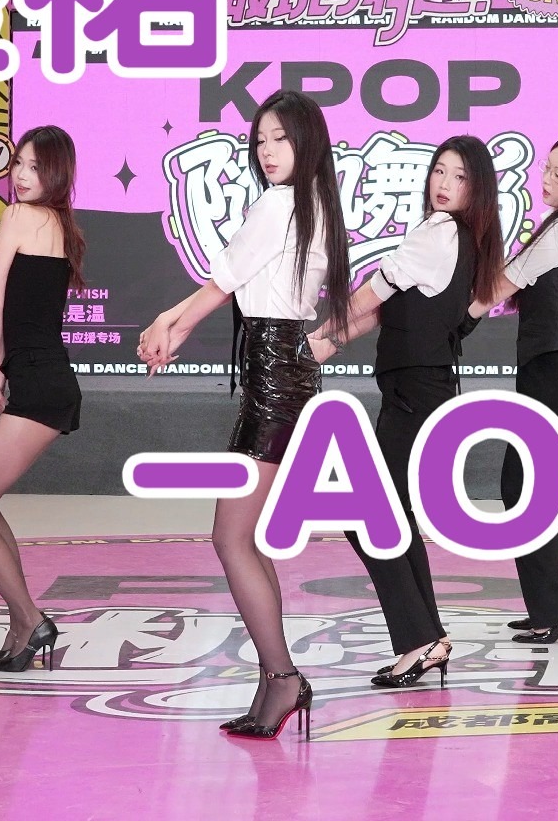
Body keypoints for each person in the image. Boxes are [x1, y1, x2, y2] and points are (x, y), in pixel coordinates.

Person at [139, 92, 351, 739]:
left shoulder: (283, 203)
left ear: (308, 141)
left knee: (232, 537)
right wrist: (172, 327)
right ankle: (273, 680)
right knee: (244, 538)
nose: (267, 151)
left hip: (276, 379)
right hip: (280, 373)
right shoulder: (311, 203)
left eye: (280, 138)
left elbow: (221, 284)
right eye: (260, 140)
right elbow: (235, 286)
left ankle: (282, 677)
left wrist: (167, 324)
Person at [309, 135, 504, 691]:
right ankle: (427, 638)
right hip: (416, 391)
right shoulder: (462, 239)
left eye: (460, 176)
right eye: (440, 170)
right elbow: (381, 311)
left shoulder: (440, 232)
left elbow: (368, 296)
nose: (444, 183)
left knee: (368, 513)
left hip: (417, 394)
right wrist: (320, 346)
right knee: (391, 517)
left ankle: (419, 638)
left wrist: (312, 340)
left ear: (477, 189)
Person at [464, 135, 558, 644]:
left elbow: (498, 287)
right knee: (531, 488)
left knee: (522, 488)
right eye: (546, 169)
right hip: (551, 368)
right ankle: (554, 606)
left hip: (552, 370)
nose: (544, 179)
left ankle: (553, 608)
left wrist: (448, 324)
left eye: (557, 174)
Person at [0, 127, 88, 675]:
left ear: (55, 172)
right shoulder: (62, 225)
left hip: (37, 384)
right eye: (17, 163)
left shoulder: (17, 216)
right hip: (46, 380)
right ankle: (19, 627)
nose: (21, 174)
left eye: (34, 166)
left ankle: (31, 620)